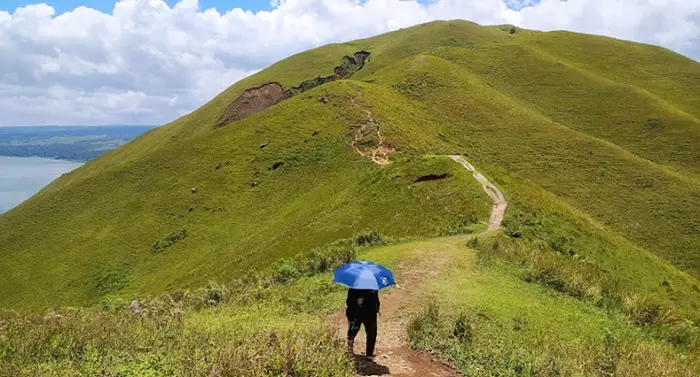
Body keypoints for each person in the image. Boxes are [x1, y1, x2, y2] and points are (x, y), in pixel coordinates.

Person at [346, 288, 380, 360]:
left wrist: (377, 307)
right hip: (356, 311)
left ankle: (369, 353)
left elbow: (375, 298)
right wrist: (356, 301)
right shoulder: (354, 288)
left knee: (372, 332)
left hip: (370, 311)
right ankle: (350, 348)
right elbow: (349, 301)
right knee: (353, 330)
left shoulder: (373, 287)